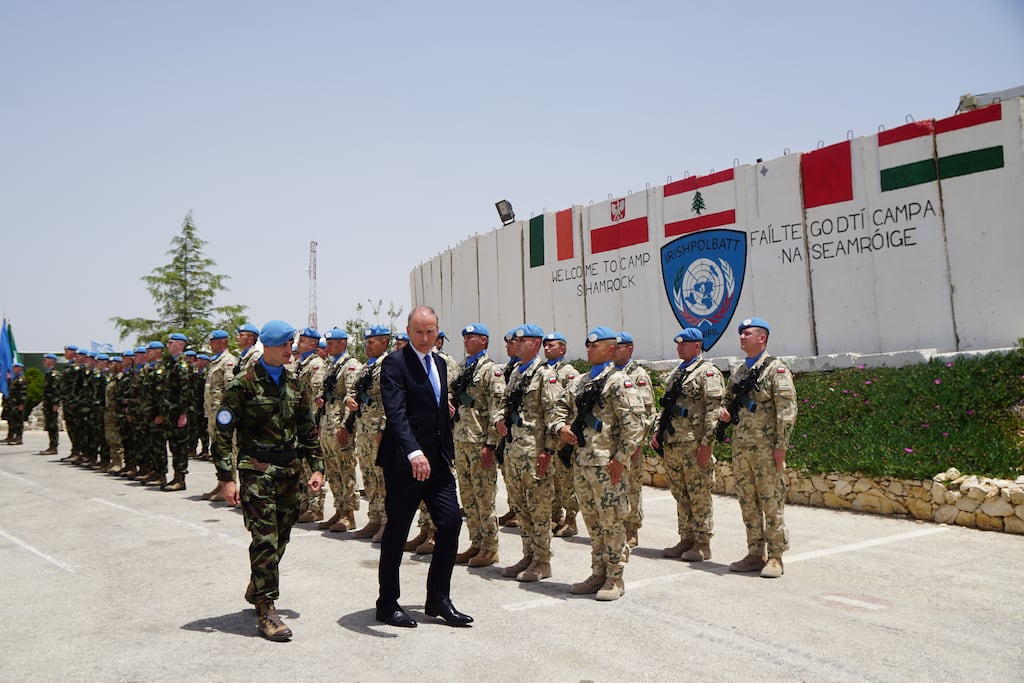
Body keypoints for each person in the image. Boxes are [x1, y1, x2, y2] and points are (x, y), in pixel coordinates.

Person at [214, 320, 325, 641]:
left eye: (292, 345)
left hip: (289, 472)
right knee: (264, 539)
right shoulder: (242, 386)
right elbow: (222, 435)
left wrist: (316, 468)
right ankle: (267, 609)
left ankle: (259, 582)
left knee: (281, 537)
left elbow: (307, 430)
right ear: (269, 347)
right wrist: (226, 478)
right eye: (284, 346)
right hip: (256, 472)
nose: (290, 350)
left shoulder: (295, 383)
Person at [374, 305, 471, 628]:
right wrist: (413, 451)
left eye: (431, 332)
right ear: (408, 331)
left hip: (438, 463)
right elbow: (397, 412)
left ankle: (438, 598)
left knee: (451, 523)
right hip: (406, 464)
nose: (426, 338)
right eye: (419, 332)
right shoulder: (394, 363)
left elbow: (435, 407)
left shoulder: (441, 364)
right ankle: (387, 602)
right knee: (398, 531)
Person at [555, 327, 645, 601]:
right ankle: (598, 571)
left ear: (610, 349)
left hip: (607, 465)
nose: (589, 350)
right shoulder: (582, 381)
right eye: (588, 346)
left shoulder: (619, 382)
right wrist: (561, 427)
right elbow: (560, 405)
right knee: (593, 521)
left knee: (612, 521)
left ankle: (615, 577)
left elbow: (635, 424)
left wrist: (621, 459)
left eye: (595, 346)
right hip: (583, 462)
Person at [718, 317, 798, 579]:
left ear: (762, 338)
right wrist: (725, 415)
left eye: (748, 334)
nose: (742, 337)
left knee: (771, 501)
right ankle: (755, 553)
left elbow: (787, 411)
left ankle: (775, 556)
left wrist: (781, 446)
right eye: (741, 334)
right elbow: (728, 401)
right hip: (742, 449)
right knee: (748, 502)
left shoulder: (776, 370)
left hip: (766, 449)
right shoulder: (741, 371)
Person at [650, 328, 723, 561]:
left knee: (698, 493)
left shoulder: (707, 373)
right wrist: (657, 432)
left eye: (684, 344)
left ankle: (703, 543)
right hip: (673, 443)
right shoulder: (676, 373)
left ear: (697, 346)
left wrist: (707, 444)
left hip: (694, 444)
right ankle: (686, 538)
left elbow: (714, 411)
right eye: (678, 344)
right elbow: (666, 407)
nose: (679, 348)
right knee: (681, 494)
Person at [497, 324, 562, 583]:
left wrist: (548, 450)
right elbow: (503, 405)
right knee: (520, 508)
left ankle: (542, 561)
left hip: (535, 454)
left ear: (535, 344)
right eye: (516, 341)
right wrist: (498, 421)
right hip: (514, 452)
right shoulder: (515, 374)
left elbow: (554, 415)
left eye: (522, 341)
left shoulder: (545, 376)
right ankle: (528, 555)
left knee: (539, 509)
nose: (517, 344)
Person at [451, 323, 506, 568]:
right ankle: (475, 542)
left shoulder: (490, 370)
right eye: (464, 337)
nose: (466, 341)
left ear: (483, 341)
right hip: (461, 440)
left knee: (484, 497)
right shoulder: (462, 367)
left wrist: (491, 444)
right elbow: (450, 393)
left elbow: (498, 409)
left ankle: (490, 547)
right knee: (468, 497)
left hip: (480, 441)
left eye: (471, 337)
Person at [340, 325, 392, 541]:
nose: (367, 346)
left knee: (383, 478)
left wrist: (384, 429)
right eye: (366, 342)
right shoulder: (365, 367)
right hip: (363, 430)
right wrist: (348, 400)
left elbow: (394, 400)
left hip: (379, 431)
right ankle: (374, 519)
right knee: (369, 476)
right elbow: (351, 392)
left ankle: (388, 522)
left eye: (371, 342)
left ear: (384, 343)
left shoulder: (389, 366)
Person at [613, 331, 656, 548]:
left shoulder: (638, 375)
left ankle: (632, 530)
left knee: (632, 487)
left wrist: (639, 442)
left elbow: (647, 413)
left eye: (618, 347)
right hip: (610, 443)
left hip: (630, 442)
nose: (613, 350)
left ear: (629, 349)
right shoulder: (610, 374)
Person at [317, 327, 362, 532]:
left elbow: (353, 396)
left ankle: (349, 514)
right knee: (333, 471)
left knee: (345, 470)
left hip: (340, 426)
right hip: (327, 425)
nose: (328, 347)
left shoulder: (350, 366)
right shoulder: (331, 365)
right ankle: (338, 509)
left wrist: (346, 425)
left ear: (342, 344)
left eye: (332, 343)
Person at [542, 331, 580, 538]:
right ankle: (555, 516)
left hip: (562, 436)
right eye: (545, 345)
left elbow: (573, 405)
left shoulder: (569, 373)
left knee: (566, 480)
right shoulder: (541, 371)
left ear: (562, 349)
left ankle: (571, 519)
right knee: (549, 478)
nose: (547, 348)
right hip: (546, 435)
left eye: (552, 345)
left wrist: (568, 432)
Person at [202, 330, 237, 500]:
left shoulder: (228, 361)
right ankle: (221, 483)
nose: (211, 344)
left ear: (223, 342)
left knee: (225, 449)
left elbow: (229, 390)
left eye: (213, 341)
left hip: (223, 415)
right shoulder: (215, 361)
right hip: (213, 413)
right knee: (215, 449)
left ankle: (229, 484)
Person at [39, 353, 62, 454]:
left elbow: (56, 390)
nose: (44, 362)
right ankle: (51, 445)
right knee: (49, 424)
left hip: (52, 404)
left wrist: (56, 403)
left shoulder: (54, 374)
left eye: (46, 360)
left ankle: (54, 446)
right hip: (48, 403)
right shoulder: (48, 373)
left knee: (53, 425)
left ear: (52, 361)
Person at [3, 361, 27, 445]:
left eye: (15, 368)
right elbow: (12, 390)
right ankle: (11, 436)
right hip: (13, 403)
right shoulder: (15, 378)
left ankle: (18, 437)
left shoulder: (21, 379)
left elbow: (22, 392)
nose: (13, 369)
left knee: (18, 420)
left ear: (19, 369)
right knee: (12, 420)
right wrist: (9, 380)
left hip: (17, 404)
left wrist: (21, 403)